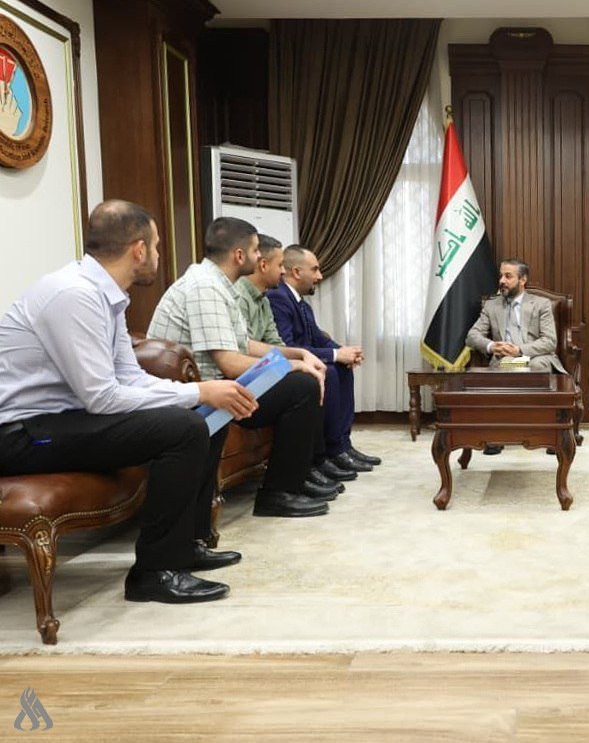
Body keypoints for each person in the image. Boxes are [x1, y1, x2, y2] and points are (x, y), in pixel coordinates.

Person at [0, 200, 255, 603]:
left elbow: (129, 377)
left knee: (205, 414)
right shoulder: (74, 294)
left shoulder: (107, 296)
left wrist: (201, 395)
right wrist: (197, 390)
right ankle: (154, 573)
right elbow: (102, 397)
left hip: (62, 418)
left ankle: (186, 545)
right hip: (20, 433)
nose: (158, 255)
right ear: (138, 250)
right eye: (156, 246)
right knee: (184, 427)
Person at [148, 217, 337, 518]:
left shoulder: (222, 286)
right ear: (239, 255)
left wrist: (298, 354)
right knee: (302, 386)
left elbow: (244, 345)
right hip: (201, 397)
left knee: (303, 378)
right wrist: (291, 367)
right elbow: (230, 361)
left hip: (220, 384)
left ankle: (294, 481)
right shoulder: (206, 287)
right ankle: (278, 494)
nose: (260, 257)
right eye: (255, 250)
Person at [267, 245, 381, 473]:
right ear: (296, 272)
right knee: (330, 371)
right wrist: (336, 355)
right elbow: (287, 347)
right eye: (315, 269)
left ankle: (342, 444)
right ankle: (331, 449)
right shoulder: (278, 298)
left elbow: (318, 338)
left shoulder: (300, 302)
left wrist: (344, 352)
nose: (319, 276)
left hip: (307, 360)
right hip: (290, 364)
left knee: (343, 367)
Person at [466, 258, 565, 373]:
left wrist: (519, 350)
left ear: (522, 280)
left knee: (536, 365)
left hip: (535, 357)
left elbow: (549, 341)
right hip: (505, 359)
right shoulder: (491, 306)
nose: (502, 281)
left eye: (508, 276)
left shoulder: (541, 304)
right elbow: (472, 336)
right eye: (501, 276)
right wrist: (492, 346)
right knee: (507, 363)